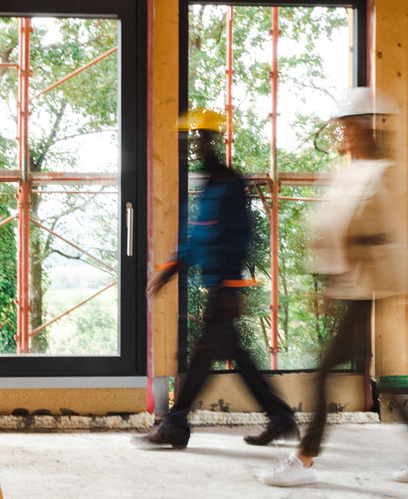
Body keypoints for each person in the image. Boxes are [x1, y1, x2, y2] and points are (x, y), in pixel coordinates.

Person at [258, 87, 408, 487]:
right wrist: (328, 281)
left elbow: (395, 236)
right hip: (349, 287)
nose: (345, 132)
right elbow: (334, 229)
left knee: (325, 374)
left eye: (352, 125)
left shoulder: (382, 173)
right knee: (387, 377)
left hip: (367, 287)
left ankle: (305, 458)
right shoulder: (349, 172)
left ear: (372, 126)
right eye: (343, 125)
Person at [135, 107, 299, 449]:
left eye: (199, 138)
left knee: (202, 356)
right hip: (215, 284)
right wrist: (171, 267)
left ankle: (175, 424)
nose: (194, 146)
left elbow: (239, 239)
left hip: (223, 287)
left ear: (212, 140)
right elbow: (199, 237)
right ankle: (281, 418)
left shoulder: (228, 183)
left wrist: (229, 287)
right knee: (233, 356)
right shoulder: (209, 182)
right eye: (190, 140)